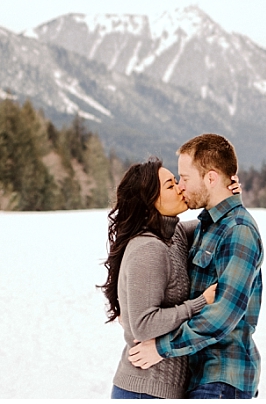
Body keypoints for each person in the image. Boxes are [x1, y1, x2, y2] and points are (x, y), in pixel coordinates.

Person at [127, 134, 263, 399]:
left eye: (185, 178)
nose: (181, 187)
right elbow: (157, 235)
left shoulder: (238, 231)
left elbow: (223, 315)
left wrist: (161, 348)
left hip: (222, 378)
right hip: (199, 377)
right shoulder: (206, 226)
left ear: (210, 179)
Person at [101, 157, 217, 399]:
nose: (180, 188)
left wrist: (224, 191)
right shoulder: (149, 248)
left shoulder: (172, 235)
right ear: (149, 201)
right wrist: (199, 304)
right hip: (144, 391)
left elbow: (213, 221)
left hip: (160, 390)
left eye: (177, 181)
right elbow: (143, 326)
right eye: (170, 185)